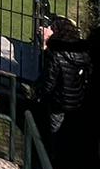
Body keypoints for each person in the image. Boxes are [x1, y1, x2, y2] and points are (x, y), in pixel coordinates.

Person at [39, 17, 92, 150]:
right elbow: (87, 76)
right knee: (70, 130)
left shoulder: (56, 54)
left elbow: (49, 82)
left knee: (55, 130)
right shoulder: (83, 52)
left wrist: (42, 95)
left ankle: (53, 157)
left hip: (59, 100)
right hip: (78, 100)